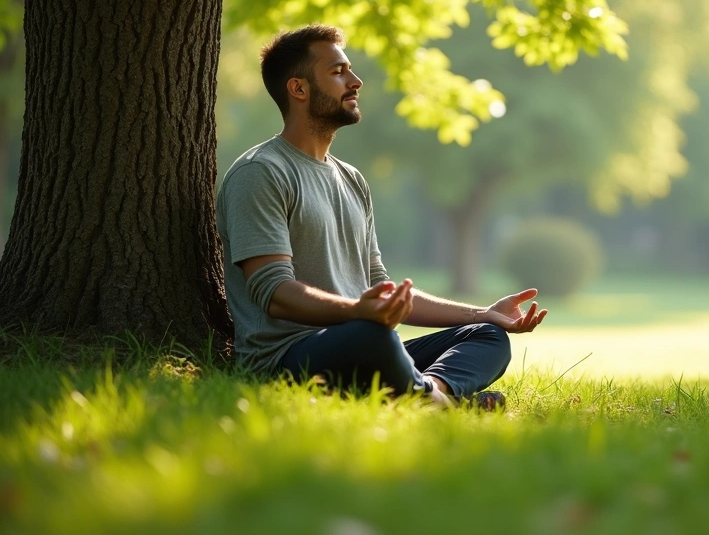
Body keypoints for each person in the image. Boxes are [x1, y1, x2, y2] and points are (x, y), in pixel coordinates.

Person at [216, 24, 546, 408]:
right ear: (299, 89)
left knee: (486, 335)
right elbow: (274, 293)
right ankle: (434, 400)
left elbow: (381, 287)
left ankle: (431, 396)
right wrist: (360, 312)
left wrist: (485, 312)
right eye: (338, 72)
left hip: (362, 340)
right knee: (373, 335)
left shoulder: (351, 179)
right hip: (287, 360)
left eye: (350, 70)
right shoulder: (260, 172)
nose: (355, 82)